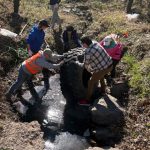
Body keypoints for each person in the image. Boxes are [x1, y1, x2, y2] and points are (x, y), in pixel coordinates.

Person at [79, 37, 113, 106]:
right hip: (110, 64)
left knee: (91, 82)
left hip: (103, 68)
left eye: (82, 44)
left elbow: (86, 65)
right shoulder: (96, 43)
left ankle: (87, 101)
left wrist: (79, 64)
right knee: (100, 75)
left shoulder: (88, 51)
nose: (82, 45)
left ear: (85, 44)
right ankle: (103, 91)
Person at [26, 19, 50, 91]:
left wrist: (46, 43)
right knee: (32, 67)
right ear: (42, 26)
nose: (46, 28)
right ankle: (29, 83)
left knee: (44, 65)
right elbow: (28, 42)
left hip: (38, 50)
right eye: (45, 26)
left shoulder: (42, 32)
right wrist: (29, 50)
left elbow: (43, 39)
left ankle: (46, 84)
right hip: (32, 51)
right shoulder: (34, 32)